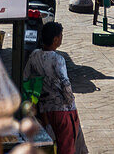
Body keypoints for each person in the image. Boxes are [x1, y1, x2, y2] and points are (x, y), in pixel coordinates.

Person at [22, 22, 88, 154]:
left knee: (50, 145)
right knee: (66, 146)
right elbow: (65, 83)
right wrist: (70, 103)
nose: (62, 38)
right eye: (61, 35)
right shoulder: (58, 59)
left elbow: (25, 78)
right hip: (63, 111)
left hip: (44, 110)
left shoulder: (34, 55)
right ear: (55, 39)